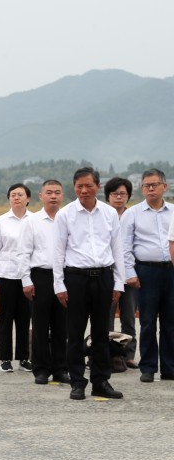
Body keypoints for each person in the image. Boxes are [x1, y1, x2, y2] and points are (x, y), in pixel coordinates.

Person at [53, 167, 124, 401]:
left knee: (101, 333)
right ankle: (77, 382)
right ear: (74, 187)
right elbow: (58, 252)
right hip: (76, 278)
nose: (84, 190)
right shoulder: (65, 214)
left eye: (88, 186)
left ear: (97, 186)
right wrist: (59, 285)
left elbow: (117, 249)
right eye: (79, 186)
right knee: (74, 333)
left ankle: (100, 381)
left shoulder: (109, 213)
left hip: (104, 276)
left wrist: (119, 282)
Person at [121, 169, 173, 382]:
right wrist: (130, 273)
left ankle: (169, 367)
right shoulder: (132, 214)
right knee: (148, 321)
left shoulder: (173, 211)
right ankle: (148, 367)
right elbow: (124, 247)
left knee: (171, 322)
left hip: (170, 270)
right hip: (145, 271)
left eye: (154, 185)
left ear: (164, 186)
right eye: (146, 186)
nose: (150, 189)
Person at [19, 180, 70, 385]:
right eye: (49, 192)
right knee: (40, 325)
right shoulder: (31, 222)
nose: (53, 196)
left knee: (62, 325)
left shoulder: (67, 218)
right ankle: (40, 369)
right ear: (41, 196)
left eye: (57, 192)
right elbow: (23, 252)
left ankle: (60, 368)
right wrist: (26, 280)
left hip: (65, 276)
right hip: (40, 276)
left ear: (62, 195)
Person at [0, 183, 33, 373]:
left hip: (28, 277)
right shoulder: (1, 221)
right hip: (6, 276)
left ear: (28, 198)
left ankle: (23, 357)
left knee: (24, 319)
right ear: (9, 199)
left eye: (20, 195)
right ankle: (5, 358)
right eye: (13, 195)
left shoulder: (34, 220)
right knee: (6, 319)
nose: (16, 198)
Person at [105, 176, 138, 369]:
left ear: (128, 196)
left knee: (129, 315)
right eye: (114, 194)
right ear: (108, 196)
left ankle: (128, 355)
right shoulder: (103, 214)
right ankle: (107, 354)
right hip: (108, 273)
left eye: (123, 194)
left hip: (129, 273)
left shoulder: (133, 215)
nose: (119, 197)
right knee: (106, 316)